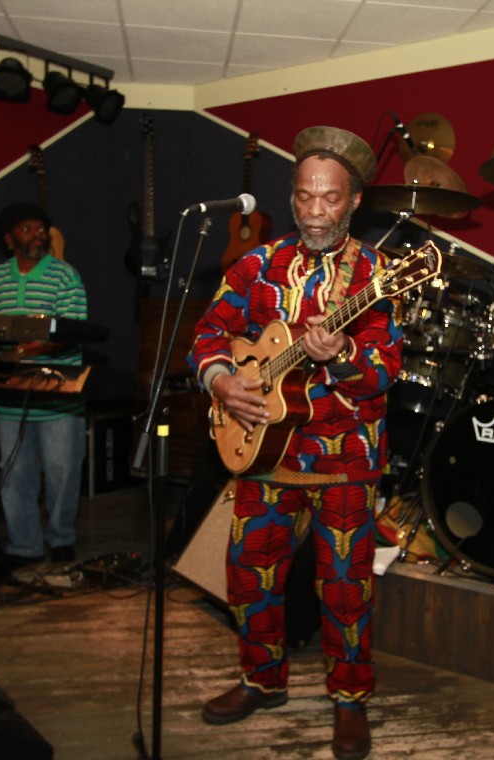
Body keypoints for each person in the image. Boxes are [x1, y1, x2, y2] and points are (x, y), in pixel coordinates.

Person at [188, 126, 400, 760]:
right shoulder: (257, 264)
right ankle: (262, 679)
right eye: (304, 196)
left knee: (345, 588)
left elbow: (383, 374)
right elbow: (208, 333)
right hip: (263, 450)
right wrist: (223, 382)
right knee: (247, 574)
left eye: (330, 198)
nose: (315, 211)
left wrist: (343, 354)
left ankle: (350, 699)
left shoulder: (378, 274)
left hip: (344, 459)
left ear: (354, 200)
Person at [0, 202, 88, 573]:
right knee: (15, 472)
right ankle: (24, 544)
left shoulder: (64, 276)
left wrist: (25, 349)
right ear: (9, 239)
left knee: (62, 468)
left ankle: (61, 537)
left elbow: (72, 329)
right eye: (27, 229)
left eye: (40, 228)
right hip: (12, 393)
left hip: (57, 392)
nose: (37, 235)